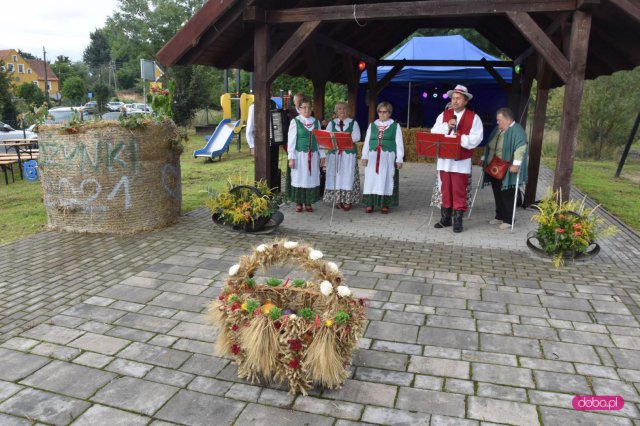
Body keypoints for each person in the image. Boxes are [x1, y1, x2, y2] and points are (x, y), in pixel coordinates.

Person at [430, 84, 483, 233]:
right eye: (453, 98)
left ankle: (458, 221)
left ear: (465, 101)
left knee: (459, 191)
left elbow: (477, 138)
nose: (455, 101)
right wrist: (447, 126)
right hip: (444, 161)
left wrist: (459, 139)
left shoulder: (474, 117)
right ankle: (445, 219)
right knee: (445, 190)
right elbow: (433, 132)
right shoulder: (444, 115)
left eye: (458, 98)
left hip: (461, 161)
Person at [482, 107, 528, 229]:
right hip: (495, 166)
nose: (497, 122)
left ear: (508, 120)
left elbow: (521, 147)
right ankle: (499, 216)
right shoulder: (499, 129)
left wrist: (516, 164)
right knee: (497, 192)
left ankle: (508, 220)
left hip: (507, 168)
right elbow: (491, 144)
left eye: (499, 120)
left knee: (507, 194)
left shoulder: (517, 130)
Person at [361, 102, 404, 214]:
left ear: (389, 113)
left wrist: (399, 158)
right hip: (372, 157)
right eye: (380, 112)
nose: (382, 114)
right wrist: (364, 156)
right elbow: (367, 141)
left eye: (384, 112)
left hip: (388, 157)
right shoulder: (372, 125)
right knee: (371, 180)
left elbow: (399, 143)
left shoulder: (395, 126)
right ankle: (370, 203)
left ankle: (385, 204)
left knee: (386, 179)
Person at [286, 98, 326, 212]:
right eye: (304, 107)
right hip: (300, 155)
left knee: (310, 177)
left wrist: (322, 155)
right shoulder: (295, 121)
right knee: (300, 177)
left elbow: (320, 140)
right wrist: (291, 158)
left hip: (313, 156)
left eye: (309, 107)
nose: (307, 110)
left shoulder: (316, 122)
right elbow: (292, 140)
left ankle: (308, 202)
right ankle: (299, 202)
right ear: (299, 109)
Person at [323, 102, 362, 211]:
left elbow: (356, 137)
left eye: (344, 109)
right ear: (336, 111)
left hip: (348, 155)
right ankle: (337, 199)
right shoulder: (332, 123)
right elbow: (327, 137)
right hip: (334, 154)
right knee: (335, 175)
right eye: (339, 109)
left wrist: (340, 138)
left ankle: (347, 200)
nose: (342, 111)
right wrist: (341, 138)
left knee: (347, 176)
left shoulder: (353, 123)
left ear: (348, 111)